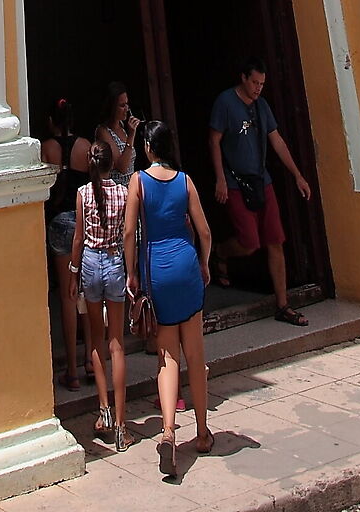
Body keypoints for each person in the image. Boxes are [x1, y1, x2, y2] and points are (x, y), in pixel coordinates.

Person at [123, 119, 219, 481]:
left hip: (156, 270)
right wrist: (204, 263)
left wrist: (131, 272)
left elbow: (131, 231)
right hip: (185, 264)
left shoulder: (139, 181)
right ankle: (203, 431)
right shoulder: (185, 181)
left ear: (148, 148)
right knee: (196, 356)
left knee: (167, 357)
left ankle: (167, 431)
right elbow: (205, 230)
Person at [207, 56, 313, 326]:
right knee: (249, 243)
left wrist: (297, 175)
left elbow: (276, 141)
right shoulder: (225, 103)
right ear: (243, 78)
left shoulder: (262, 106)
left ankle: (282, 304)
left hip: (261, 181)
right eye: (254, 82)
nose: (258, 88)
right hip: (234, 181)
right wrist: (219, 178)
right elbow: (214, 140)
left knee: (275, 241)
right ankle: (221, 251)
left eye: (262, 84)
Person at [69, 134, 131, 448]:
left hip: (91, 265)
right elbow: (128, 233)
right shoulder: (123, 192)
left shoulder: (82, 194)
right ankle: (121, 424)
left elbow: (78, 239)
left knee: (95, 340)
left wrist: (72, 273)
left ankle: (104, 408)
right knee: (116, 343)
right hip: (115, 263)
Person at [41, 97, 91, 391]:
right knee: (85, 292)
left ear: (51, 121)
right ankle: (90, 361)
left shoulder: (47, 147)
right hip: (82, 219)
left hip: (59, 221)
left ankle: (71, 369)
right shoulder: (85, 146)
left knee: (67, 296)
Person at [94, 78, 139, 179]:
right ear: (112, 107)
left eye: (127, 104)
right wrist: (131, 136)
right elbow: (122, 167)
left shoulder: (122, 126)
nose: (126, 109)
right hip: (116, 189)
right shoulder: (103, 131)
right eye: (122, 105)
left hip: (130, 187)